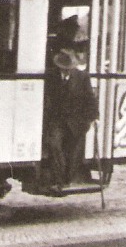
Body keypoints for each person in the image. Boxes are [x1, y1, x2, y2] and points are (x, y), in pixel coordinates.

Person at [43, 48, 100, 191]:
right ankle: (59, 180)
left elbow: (90, 99)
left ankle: (68, 180)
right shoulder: (52, 77)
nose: (66, 71)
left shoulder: (82, 77)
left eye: (68, 69)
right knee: (54, 144)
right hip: (58, 120)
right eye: (64, 69)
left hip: (77, 122)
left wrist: (94, 117)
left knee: (74, 153)